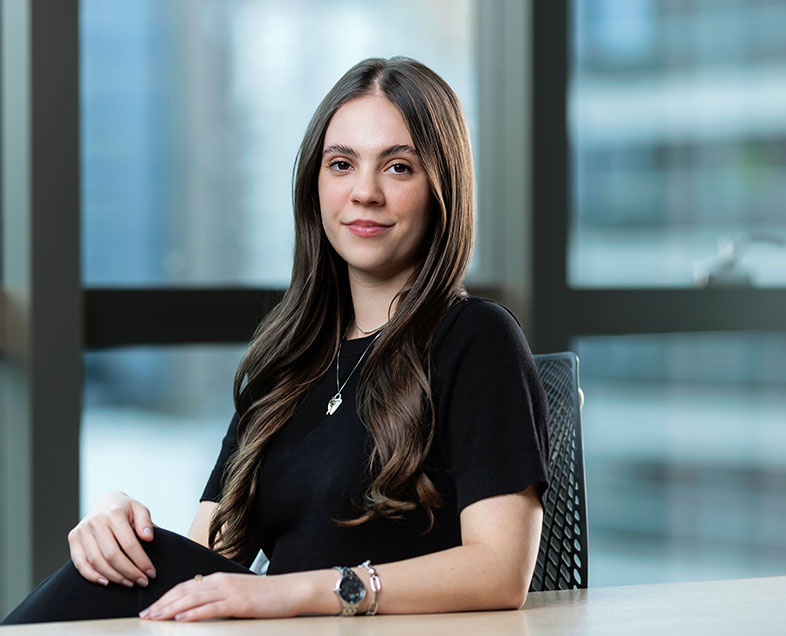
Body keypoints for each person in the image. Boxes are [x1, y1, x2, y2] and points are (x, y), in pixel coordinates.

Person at [2, 56, 548, 624]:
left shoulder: (476, 337)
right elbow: (206, 561)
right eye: (342, 164)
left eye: (399, 168)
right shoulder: (289, 358)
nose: (365, 192)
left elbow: (500, 569)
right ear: (315, 185)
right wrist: (118, 530)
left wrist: (297, 591)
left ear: (442, 189)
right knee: (117, 569)